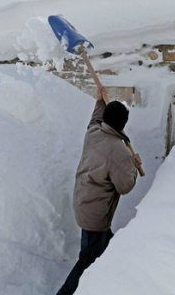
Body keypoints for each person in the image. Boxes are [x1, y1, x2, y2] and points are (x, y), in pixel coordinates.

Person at [56, 85, 141, 295]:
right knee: (87, 259)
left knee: (107, 245)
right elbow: (126, 186)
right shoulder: (119, 151)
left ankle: (110, 276)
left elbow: (96, 117)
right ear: (123, 124)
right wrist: (134, 165)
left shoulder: (94, 131)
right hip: (95, 215)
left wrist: (99, 100)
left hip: (84, 201)